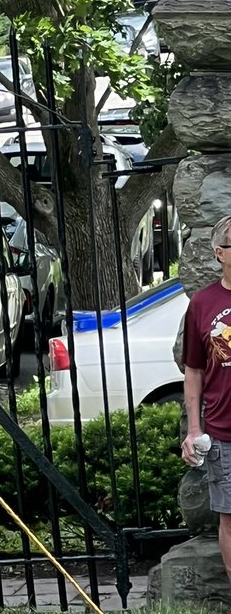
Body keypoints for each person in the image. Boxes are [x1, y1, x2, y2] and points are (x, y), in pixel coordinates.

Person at [182, 214, 231, 584]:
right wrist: (194, 428)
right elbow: (194, 370)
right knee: (230, 517)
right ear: (220, 253)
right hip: (224, 431)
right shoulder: (203, 303)